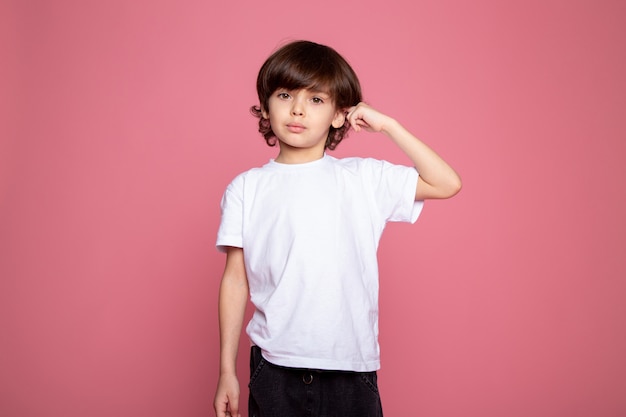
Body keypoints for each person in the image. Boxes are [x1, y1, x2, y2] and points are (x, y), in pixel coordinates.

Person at [213, 40, 461, 417]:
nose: (297, 108)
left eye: (316, 99)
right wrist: (226, 371)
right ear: (265, 106)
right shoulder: (246, 187)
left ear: (339, 115)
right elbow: (235, 280)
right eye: (285, 95)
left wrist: (389, 126)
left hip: (351, 369)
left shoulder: (362, 177)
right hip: (275, 366)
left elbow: (447, 183)